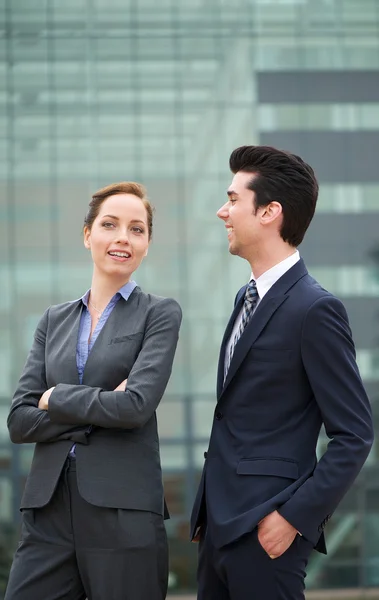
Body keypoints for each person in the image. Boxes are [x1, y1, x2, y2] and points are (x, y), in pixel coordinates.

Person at [190, 146, 374, 600]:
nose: (222, 211)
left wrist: (293, 518)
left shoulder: (316, 309)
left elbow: (355, 434)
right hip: (218, 529)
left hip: (266, 534)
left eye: (233, 199)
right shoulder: (244, 300)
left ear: (270, 211)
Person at [6, 181, 182, 600]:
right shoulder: (53, 320)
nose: (123, 237)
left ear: (147, 243)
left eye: (137, 229)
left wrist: (58, 398)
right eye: (110, 224)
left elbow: (135, 407)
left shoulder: (159, 314)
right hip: (48, 509)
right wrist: (101, 408)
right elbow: (18, 419)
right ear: (88, 235)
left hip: (122, 508)